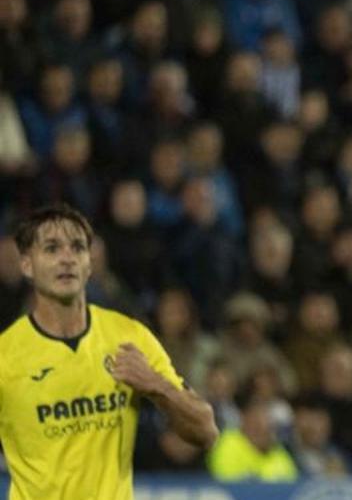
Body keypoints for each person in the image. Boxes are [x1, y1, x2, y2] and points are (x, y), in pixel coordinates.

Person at [0, 203, 218, 500]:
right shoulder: (6, 356)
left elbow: (206, 431)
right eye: (51, 249)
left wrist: (155, 385)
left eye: (77, 248)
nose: (67, 258)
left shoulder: (129, 337)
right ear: (26, 264)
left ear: (90, 263)